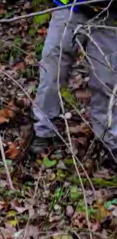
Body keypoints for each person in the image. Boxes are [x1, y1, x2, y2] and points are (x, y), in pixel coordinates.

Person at [31, 0, 117, 165]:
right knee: (51, 71)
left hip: (109, 14)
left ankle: (110, 141)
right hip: (71, 6)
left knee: (106, 82)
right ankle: (44, 130)